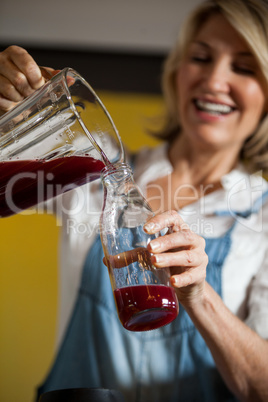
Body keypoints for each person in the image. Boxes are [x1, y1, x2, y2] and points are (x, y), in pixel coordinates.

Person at [1, 0, 268, 400]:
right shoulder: (96, 165)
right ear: (177, 71)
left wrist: (198, 294)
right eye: (200, 57)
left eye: (243, 67)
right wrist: (17, 113)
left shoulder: (262, 215)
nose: (214, 80)